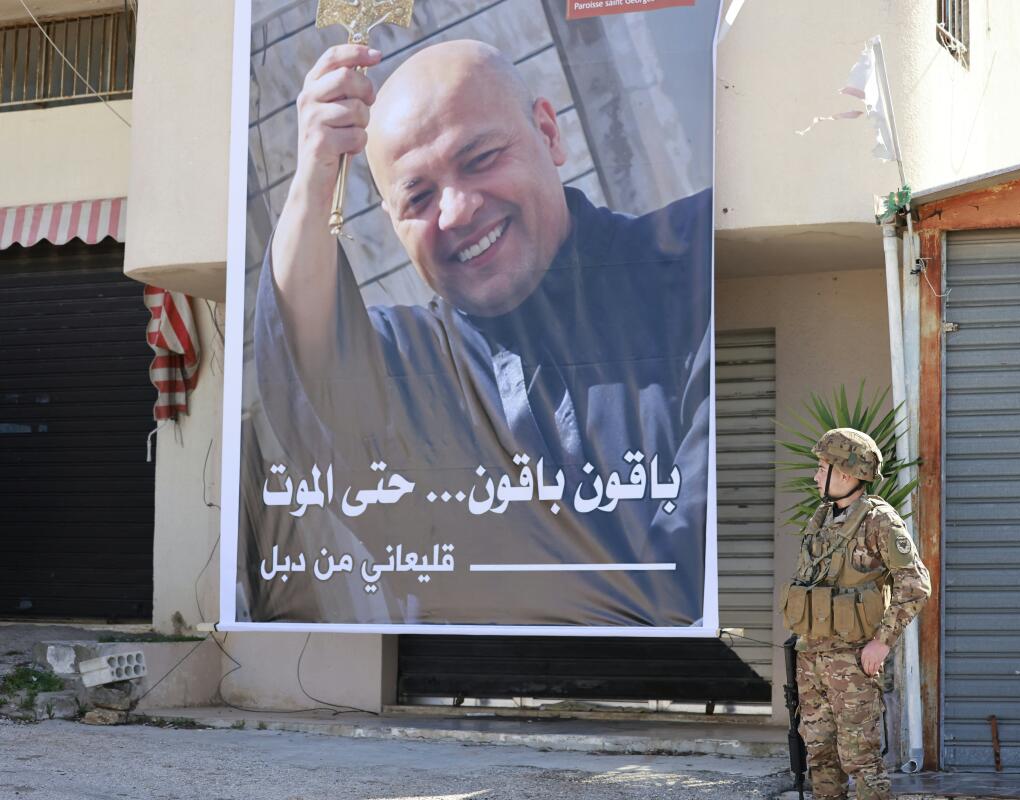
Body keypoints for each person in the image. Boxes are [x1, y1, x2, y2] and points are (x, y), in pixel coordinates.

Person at [247, 39, 712, 626]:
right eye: (418, 196)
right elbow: (303, 361)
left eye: (481, 158)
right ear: (392, 223)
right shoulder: (409, 369)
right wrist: (313, 183)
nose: (458, 210)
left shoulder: (692, 262)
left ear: (548, 134)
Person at [780, 428, 931, 800]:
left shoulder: (879, 520)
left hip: (852, 662)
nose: (816, 475)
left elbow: (915, 585)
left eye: (822, 467)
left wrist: (881, 643)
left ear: (845, 474)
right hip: (811, 658)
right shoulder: (820, 518)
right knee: (819, 758)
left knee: (862, 761)